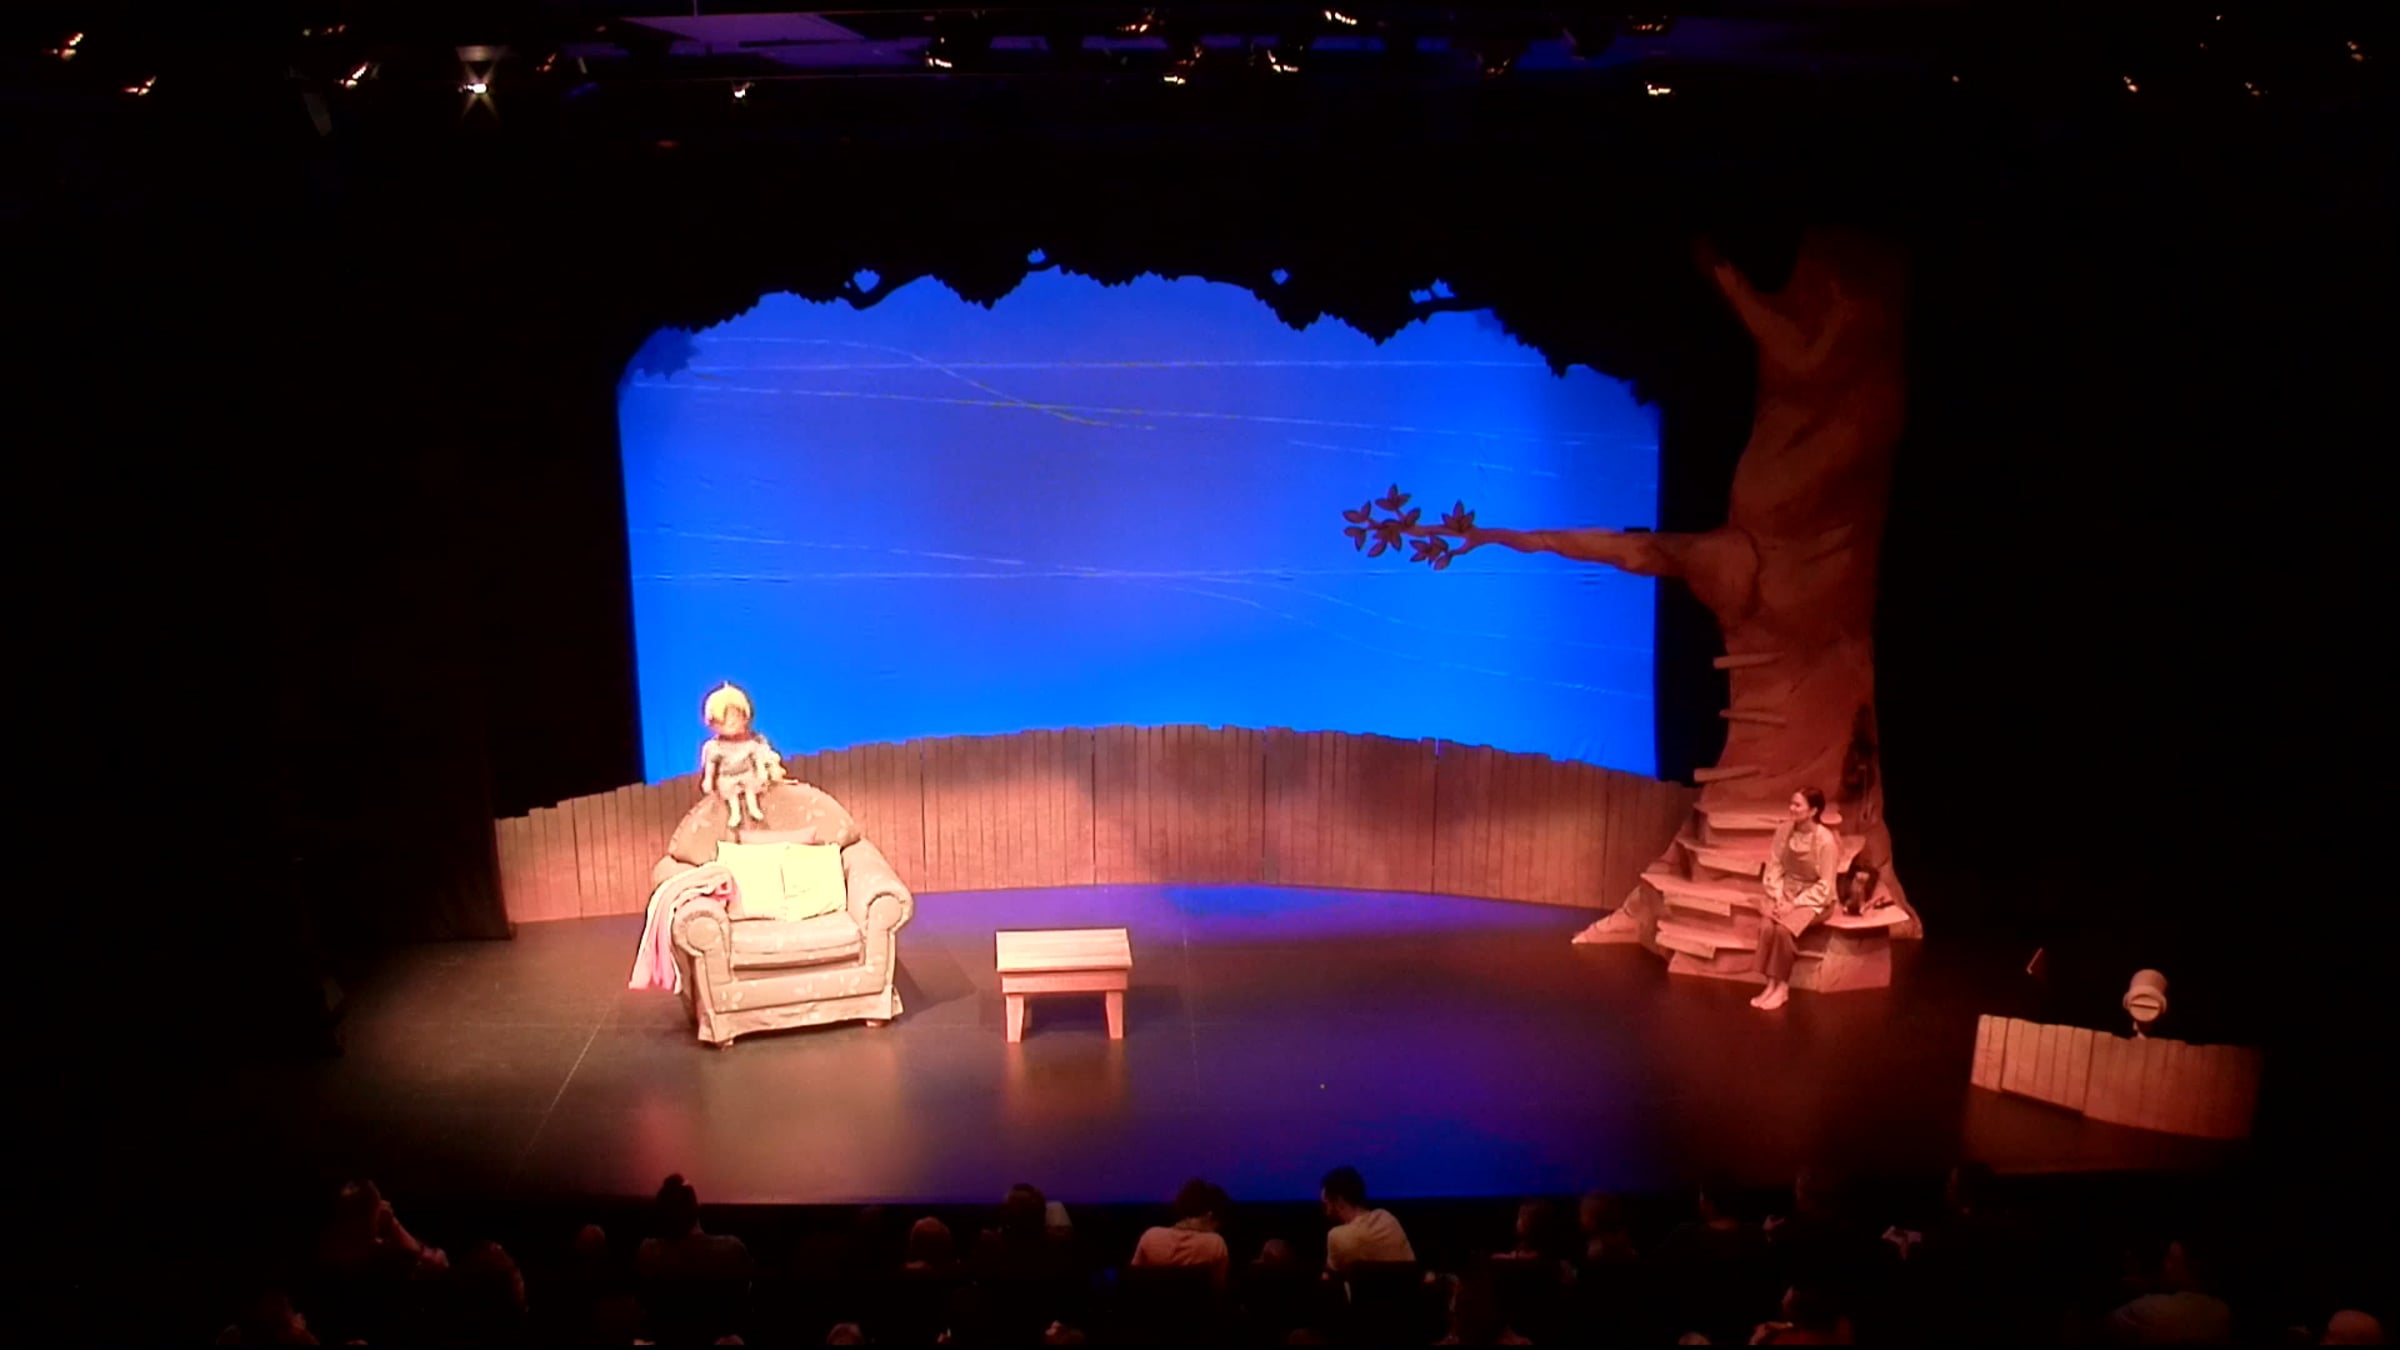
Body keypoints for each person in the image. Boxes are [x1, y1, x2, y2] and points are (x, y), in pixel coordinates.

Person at [1753, 788, 1841, 1011]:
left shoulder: (1825, 840)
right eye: (1791, 803)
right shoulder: (1784, 830)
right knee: (1767, 926)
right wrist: (1779, 896)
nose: (1792, 808)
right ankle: (1770, 984)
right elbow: (1774, 866)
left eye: (1798, 805)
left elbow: (1825, 885)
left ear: (1813, 811)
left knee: (1783, 930)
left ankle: (1782, 987)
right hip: (1785, 891)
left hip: (1815, 899)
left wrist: (1794, 904)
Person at [2105, 1238, 2233, 1345]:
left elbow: (2106, 1326)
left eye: (2170, 1260)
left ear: (2193, 1268)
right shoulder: (2223, 1311)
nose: (2165, 1265)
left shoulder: (2146, 1310)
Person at [1131, 1179, 1232, 1288]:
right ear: (1209, 1216)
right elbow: (1218, 1289)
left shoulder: (1150, 1237)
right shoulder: (1215, 1244)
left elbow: (1133, 1282)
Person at [1321, 1167, 1414, 1273]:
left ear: (1339, 1200)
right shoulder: (1388, 1218)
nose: (1325, 1205)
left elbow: (1330, 1274)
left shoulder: (1337, 1236)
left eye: (1326, 1200)